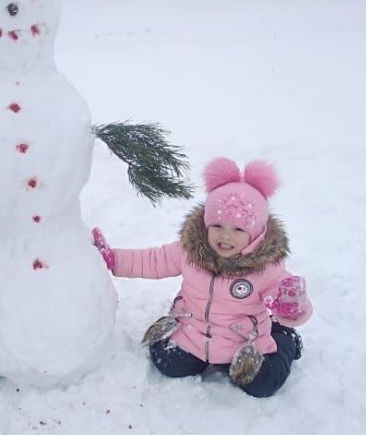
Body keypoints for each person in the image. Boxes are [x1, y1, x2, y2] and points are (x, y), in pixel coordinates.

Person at [93, 157, 312, 397]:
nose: (225, 236)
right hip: (193, 334)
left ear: (257, 235)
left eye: (238, 230)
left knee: (263, 384)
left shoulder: (266, 267)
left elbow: (283, 296)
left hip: (243, 342)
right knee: (168, 364)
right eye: (218, 226)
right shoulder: (190, 251)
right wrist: (112, 260)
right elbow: (153, 260)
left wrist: (291, 309)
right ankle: (185, 344)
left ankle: (285, 338)